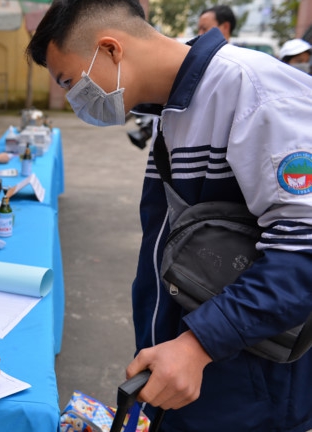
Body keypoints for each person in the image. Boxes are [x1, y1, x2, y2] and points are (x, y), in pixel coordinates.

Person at [26, 0, 312, 431]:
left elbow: (304, 245)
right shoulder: (172, 113)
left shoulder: (252, 91)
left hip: (248, 384)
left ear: (110, 49)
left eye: (70, 82)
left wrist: (200, 344)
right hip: (192, 369)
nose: (73, 100)